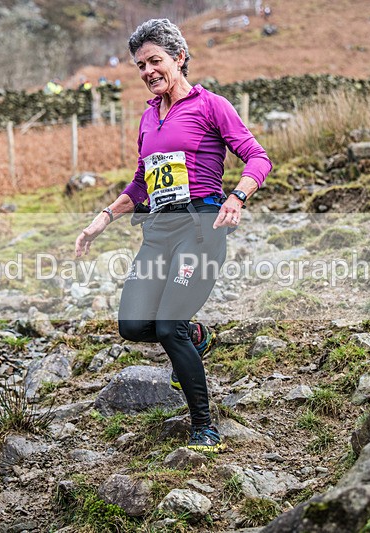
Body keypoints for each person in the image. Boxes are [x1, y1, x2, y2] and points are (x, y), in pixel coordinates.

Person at [74, 18, 271, 452]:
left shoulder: (211, 105)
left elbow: (257, 157)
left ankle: (204, 426)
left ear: (179, 58)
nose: (147, 71)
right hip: (158, 231)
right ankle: (197, 338)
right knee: (132, 325)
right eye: (139, 65)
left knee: (168, 325)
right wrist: (103, 218)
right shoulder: (148, 117)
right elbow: (141, 182)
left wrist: (236, 196)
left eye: (154, 61)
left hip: (201, 228)